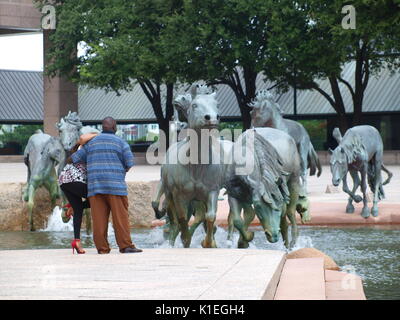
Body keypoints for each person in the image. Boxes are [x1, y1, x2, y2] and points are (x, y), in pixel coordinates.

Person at [70, 117, 142, 254]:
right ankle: (125, 246)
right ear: (115, 127)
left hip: (95, 187)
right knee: (120, 218)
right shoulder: (121, 143)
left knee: (98, 220)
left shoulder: (91, 143)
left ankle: (102, 249)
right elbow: (129, 163)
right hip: (116, 187)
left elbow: (74, 159)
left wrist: (79, 143)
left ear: (102, 128)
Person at [59, 133, 97, 254]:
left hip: (64, 180)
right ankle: (72, 208)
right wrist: (99, 134)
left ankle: (76, 241)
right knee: (97, 198)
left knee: (79, 210)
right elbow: (82, 138)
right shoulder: (85, 148)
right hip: (74, 180)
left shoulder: (80, 148)